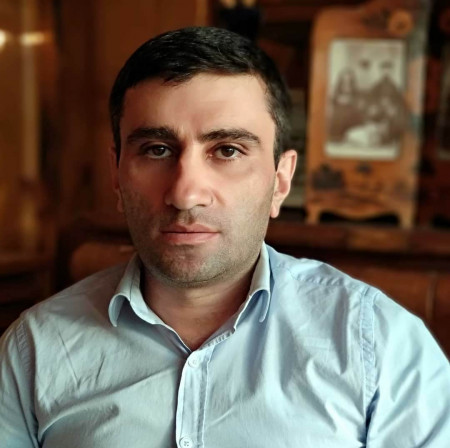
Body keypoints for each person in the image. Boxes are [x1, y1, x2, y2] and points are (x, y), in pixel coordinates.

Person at [0, 27, 449, 448]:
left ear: (281, 180)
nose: (185, 193)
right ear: (116, 175)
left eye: (228, 150)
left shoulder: (382, 346)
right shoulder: (33, 351)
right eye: (157, 150)